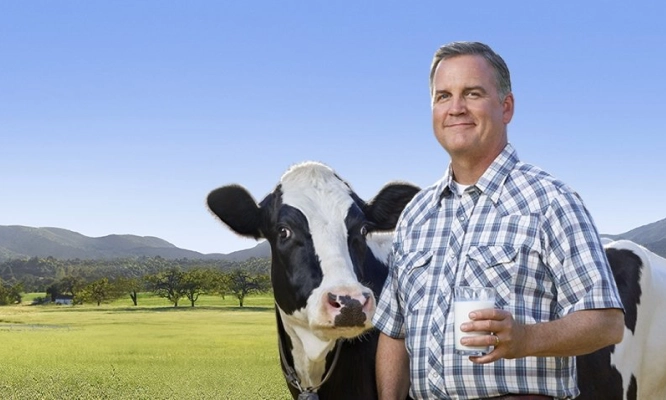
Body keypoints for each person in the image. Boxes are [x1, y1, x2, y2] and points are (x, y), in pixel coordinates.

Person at [372, 41, 625, 400]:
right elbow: (394, 332)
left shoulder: (551, 201)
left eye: (472, 93)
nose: (455, 108)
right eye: (443, 96)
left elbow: (607, 323)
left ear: (506, 107)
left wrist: (526, 338)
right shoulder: (416, 214)